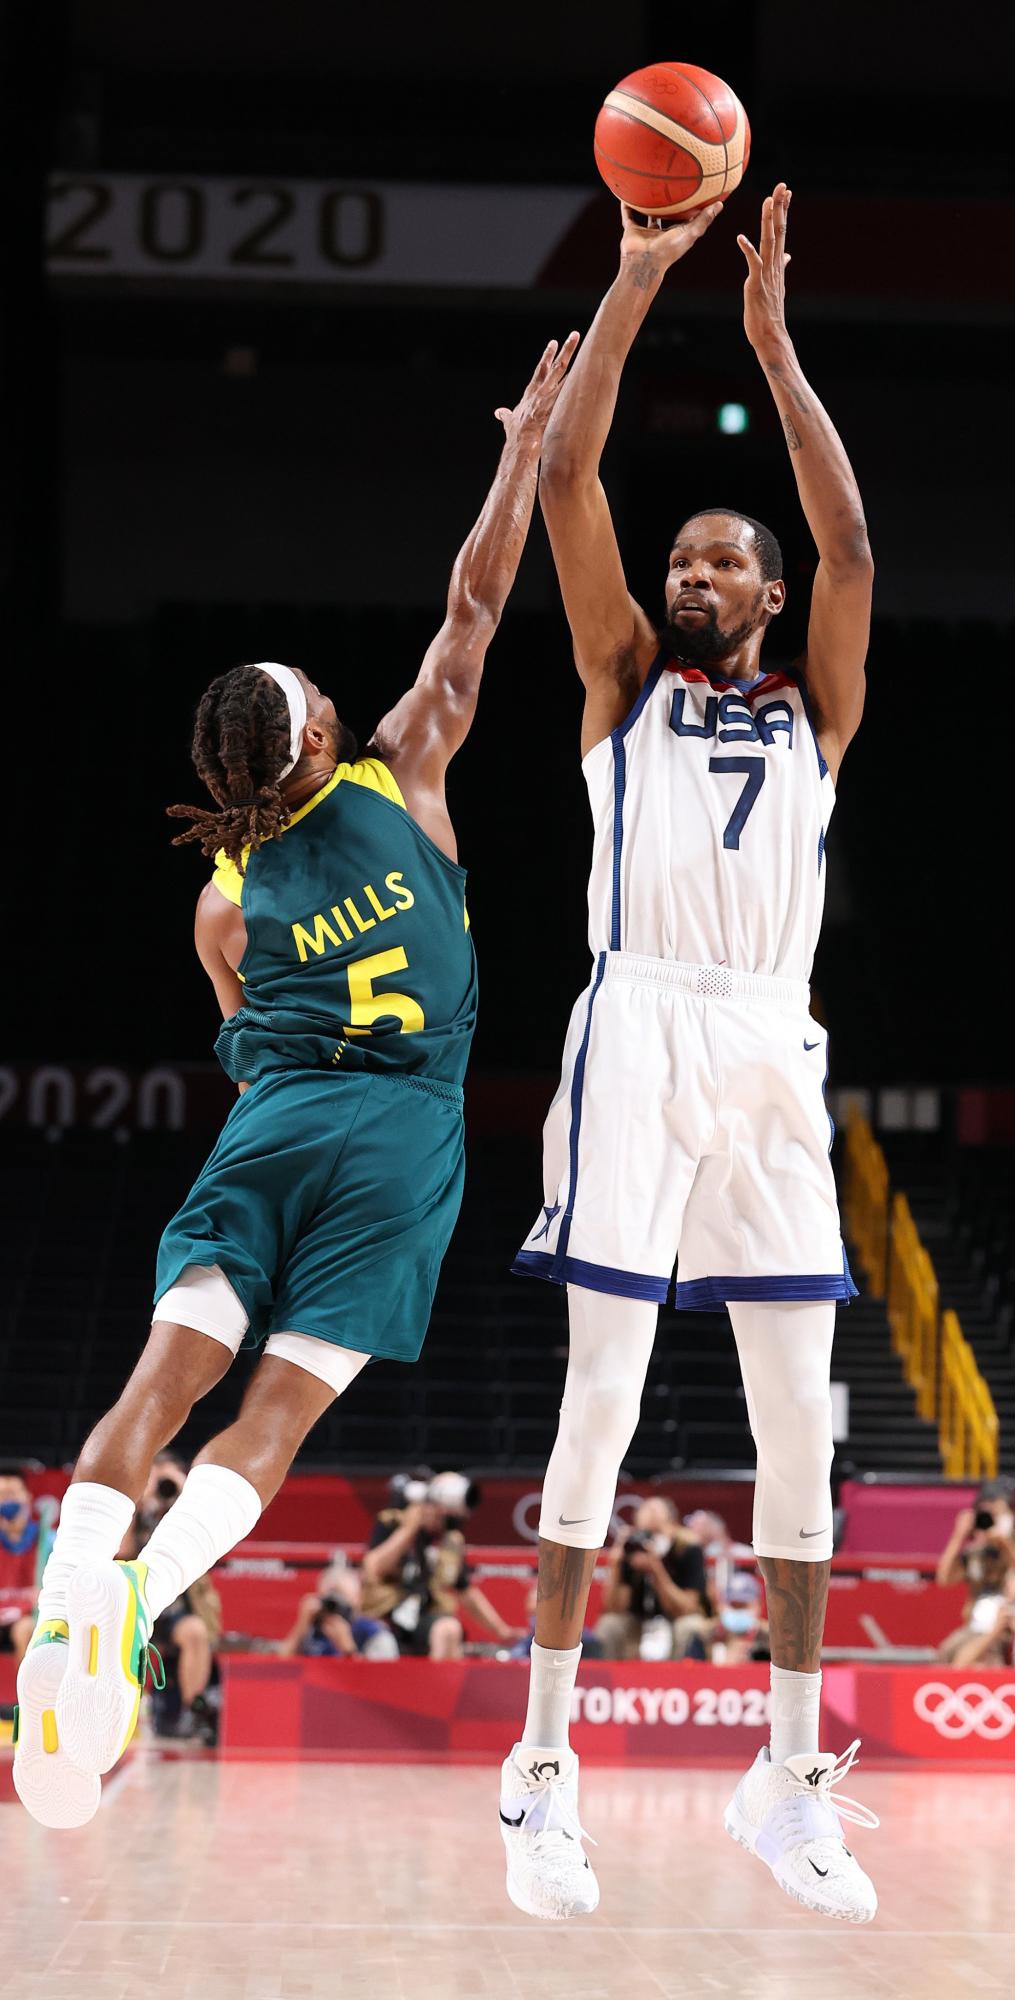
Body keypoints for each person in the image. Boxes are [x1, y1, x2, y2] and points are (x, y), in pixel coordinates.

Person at [12, 334, 579, 1832]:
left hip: (273, 1126)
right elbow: (474, 603)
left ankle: (63, 1597)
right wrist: (518, 452)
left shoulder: (224, 896)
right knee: (269, 1422)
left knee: (157, 1383)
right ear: (320, 735)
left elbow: (242, 1028)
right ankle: (140, 1602)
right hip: (402, 1140)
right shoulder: (405, 767)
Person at [499, 185, 878, 1926]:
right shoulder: (620, 683)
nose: (690, 575)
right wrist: (637, 276)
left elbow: (853, 549)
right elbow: (569, 480)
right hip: (639, 1022)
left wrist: (775, 351)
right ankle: (540, 1769)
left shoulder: (816, 709)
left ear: (767, 592)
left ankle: (786, 1778)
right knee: (602, 1404)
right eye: (681, 563)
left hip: (769, 1044)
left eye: (721, 562)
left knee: (800, 1428)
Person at [121, 1453, 222, 1743]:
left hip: (173, 1611)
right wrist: (137, 1504)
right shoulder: (137, 1512)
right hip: (135, 1605)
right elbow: (122, 1552)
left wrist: (184, 1495)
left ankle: (196, 1711)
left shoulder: (187, 1518)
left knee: (195, 1631)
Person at [362, 1472, 520, 1657]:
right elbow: (374, 1568)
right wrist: (410, 1529)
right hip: (384, 1612)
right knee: (382, 1640)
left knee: (448, 1629)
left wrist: (502, 1631)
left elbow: (465, 1590)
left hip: (423, 1614)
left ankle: (437, 1678)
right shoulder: (392, 1521)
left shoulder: (450, 1539)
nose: (440, 1514)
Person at [935, 1476, 1015, 1657]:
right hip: (977, 1629)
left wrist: (1006, 1544)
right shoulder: (976, 1552)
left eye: (996, 1514)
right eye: (986, 1516)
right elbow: (944, 1579)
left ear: (1011, 1516)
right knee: (948, 1651)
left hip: (1014, 1625)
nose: (990, 1522)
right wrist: (958, 1536)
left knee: (971, 1656)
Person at [595, 1496, 712, 1660]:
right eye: (647, 1534)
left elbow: (687, 1607)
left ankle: (685, 1675)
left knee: (690, 1626)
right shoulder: (633, 1549)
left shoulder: (687, 1549)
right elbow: (615, 1607)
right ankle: (610, 1676)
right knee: (610, 1625)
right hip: (638, 1621)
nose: (651, 1541)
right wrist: (615, 1565)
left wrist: (656, 1570)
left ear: (672, 1525)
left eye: (657, 1533)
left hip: (675, 1619)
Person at [279, 1563, 398, 1660]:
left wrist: (349, 1651)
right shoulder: (311, 1629)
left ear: (358, 1599)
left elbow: (383, 1678)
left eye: (342, 1598)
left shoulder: (374, 1633)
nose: (335, 1607)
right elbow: (281, 1668)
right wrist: (301, 1626)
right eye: (330, 1600)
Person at [0, 1470, 40, 1664]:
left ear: (28, 1499)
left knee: (26, 1630)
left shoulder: (47, 1539)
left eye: (13, 1494)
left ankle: (26, 1684)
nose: (8, 1500)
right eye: (2, 1495)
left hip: (28, 1616)